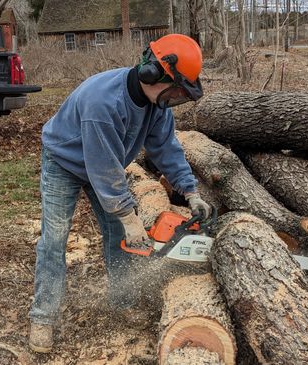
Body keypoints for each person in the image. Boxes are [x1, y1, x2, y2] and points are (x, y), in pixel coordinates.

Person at [28, 33, 211, 353]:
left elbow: (166, 148)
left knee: (117, 234)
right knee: (55, 238)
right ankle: (43, 317)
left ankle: (122, 300)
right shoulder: (102, 101)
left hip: (105, 166)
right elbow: (103, 169)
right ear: (153, 74)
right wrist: (129, 216)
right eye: (177, 89)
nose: (176, 98)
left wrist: (189, 189)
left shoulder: (157, 106)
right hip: (65, 162)